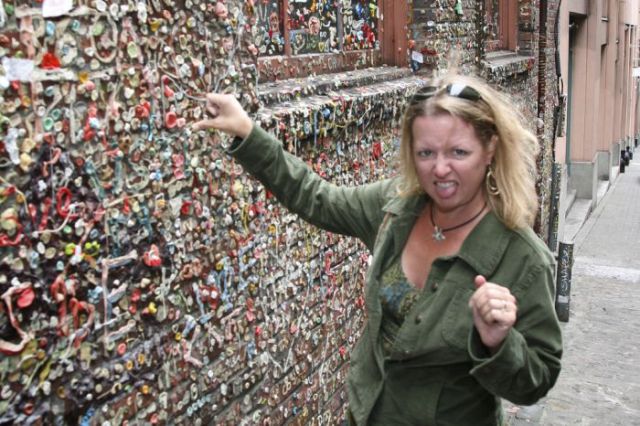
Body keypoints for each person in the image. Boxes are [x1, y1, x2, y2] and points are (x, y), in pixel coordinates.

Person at [193, 73, 562, 425]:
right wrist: (246, 131)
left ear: (490, 149)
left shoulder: (522, 256)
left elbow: (537, 379)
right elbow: (317, 198)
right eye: (426, 153)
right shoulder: (396, 208)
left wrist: (498, 342)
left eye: (459, 152)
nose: (440, 169)